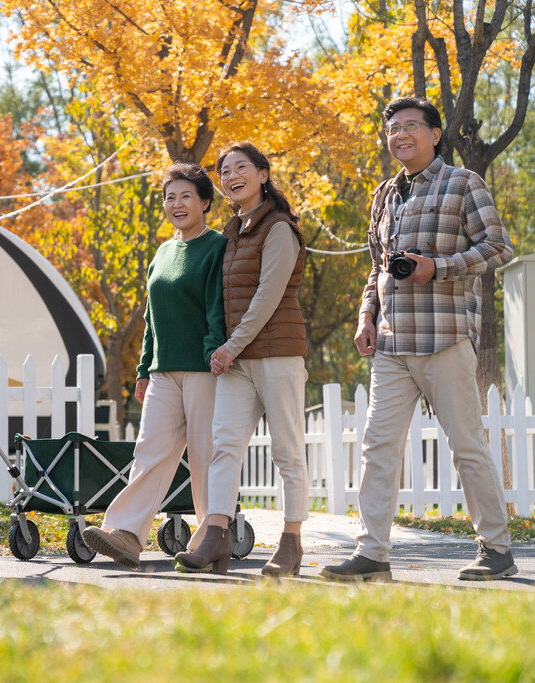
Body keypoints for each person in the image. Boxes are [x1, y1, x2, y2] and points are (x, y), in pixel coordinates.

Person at [321, 97, 517, 582]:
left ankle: (496, 548)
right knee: (377, 447)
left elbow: (498, 247)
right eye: (393, 129)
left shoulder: (463, 183)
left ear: (434, 134)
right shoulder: (385, 194)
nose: (400, 135)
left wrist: (437, 268)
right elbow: (377, 268)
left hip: (445, 335)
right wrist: (367, 316)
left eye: (411, 126)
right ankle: (372, 554)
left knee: (466, 445)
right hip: (390, 342)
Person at [81, 163, 227, 570]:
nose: (176, 204)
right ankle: (126, 534)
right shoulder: (163, 252)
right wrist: (144, 368)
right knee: (149, 452)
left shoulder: (216, 247)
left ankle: (209, 541)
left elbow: (218, 308)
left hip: (205, 370)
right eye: (169, 197)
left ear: (205, 203)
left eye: (185, 196)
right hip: (164, 371)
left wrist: (216, 351)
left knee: (205, 457)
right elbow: (152, 318)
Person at [174, 142, 309, 577]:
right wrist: (227, 346)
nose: (231, 176)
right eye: (224, 171)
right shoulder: (234, 230)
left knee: (287, 452)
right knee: (223, 448)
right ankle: (216, 535)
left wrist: (230, 346)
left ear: (263, 175)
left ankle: (291, 543)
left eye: (241, 168)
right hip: (239, 360)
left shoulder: (280, 229)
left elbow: (268, 297)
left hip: (277, 356)